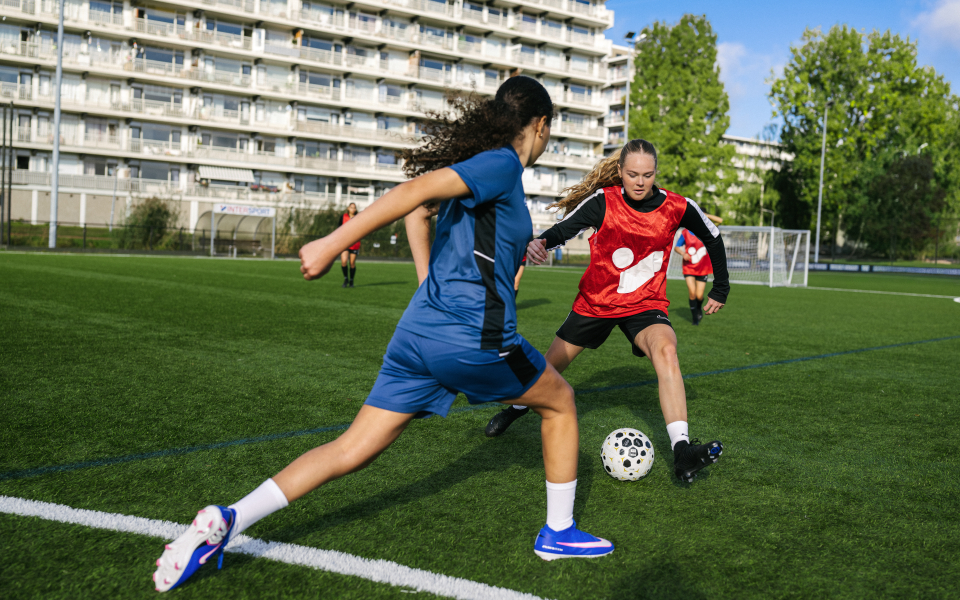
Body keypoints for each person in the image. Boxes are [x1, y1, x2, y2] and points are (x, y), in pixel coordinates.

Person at [152, 77, 612, 593]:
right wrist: (332, 242)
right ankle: (559, 532)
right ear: (541, 125)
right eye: (549, 132)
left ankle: (229, 519)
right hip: (472, 337)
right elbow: (414, 194)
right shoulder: (503, 164)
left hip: (420, 333)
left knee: (351, 448)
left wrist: (427, 285)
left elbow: (421, 214)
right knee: (561, 401)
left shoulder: (483, 169)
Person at [483, 139, 729, 484]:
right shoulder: (604, 201)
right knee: (549, 368)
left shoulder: (677, 206)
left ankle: (682, 451)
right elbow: (565, 229)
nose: (640, 182)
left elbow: (713, 236)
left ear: (656, 173)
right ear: (620, 172)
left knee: (667, 349)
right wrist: (541, 241)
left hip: (645, 305)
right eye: (632, 174)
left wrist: (721, 287)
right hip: (596, 303)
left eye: (648, 174)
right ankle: (516, 409)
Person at [673, 218, 721, 325]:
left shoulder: (706, 230)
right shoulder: (685, 232)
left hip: (703, 268)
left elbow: (720, 220)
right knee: (692, 292)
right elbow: (676, 247)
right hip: (689, 266)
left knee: (700, 296)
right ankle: (695, 318)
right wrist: (683, 253)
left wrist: (704, 214)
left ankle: (698, 308)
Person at [339, 202, 361, 287]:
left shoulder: (358, 217)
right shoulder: (343, 217)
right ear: (348, 208)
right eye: (351, 207)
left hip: (355, 242)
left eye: (354, 208)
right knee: (344, 261)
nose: (353, 209)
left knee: (352, 263)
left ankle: (351, 280)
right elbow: (339, 228)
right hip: (344, 242)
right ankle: (345, 279)